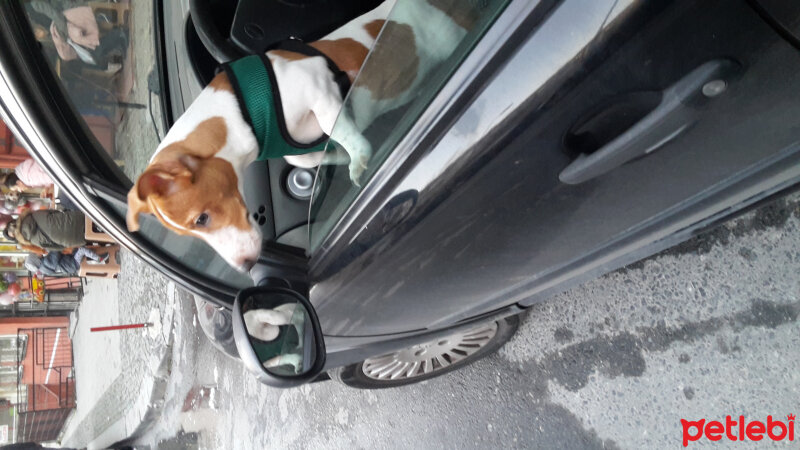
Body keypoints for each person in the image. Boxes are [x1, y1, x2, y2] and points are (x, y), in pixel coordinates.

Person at [3, 209, 88, 254]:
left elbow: (56, 247)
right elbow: (56, 211)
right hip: (77, 218)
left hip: (73, 239)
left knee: (93, 237)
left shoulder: (33, 241)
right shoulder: (35, 214)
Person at [25, 248, 107, 277]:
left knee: (76, 250)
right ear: (35, 260)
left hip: (70, 264)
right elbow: (56, 252)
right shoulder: (46, 262)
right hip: (73, 263)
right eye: (35, 255)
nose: (37, 253)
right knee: (82, 250)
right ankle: (99, 259)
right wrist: (49, 248)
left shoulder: (44, 267)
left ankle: (97, 259)